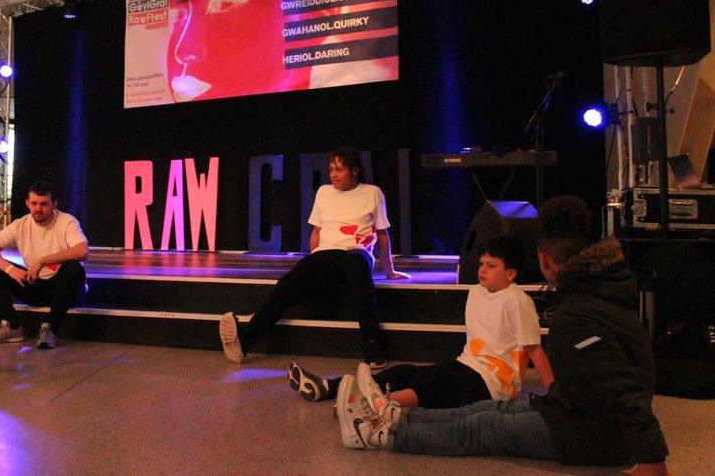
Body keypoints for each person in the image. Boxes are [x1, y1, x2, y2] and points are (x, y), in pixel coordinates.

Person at [335, 196, 670, 476]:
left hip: (594, 433)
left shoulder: (580, 312)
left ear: (546, 260)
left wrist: (653, 461)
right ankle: (395, 416)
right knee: (488, 412)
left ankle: (382, 433)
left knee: (483, 428)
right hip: (577, 411)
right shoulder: (600, 291)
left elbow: (622, 385)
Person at [289, 235, 553, 408]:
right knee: (407, 372)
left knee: (434, 386)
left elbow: (534, 349)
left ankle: (370, 406)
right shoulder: (476, 293)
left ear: (511, 273)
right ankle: (330, 387)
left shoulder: (517, 300)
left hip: (495, 383)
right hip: (468, 365)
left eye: (491, 265)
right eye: (482, 263)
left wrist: (554, 391)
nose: (482, 269)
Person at [219, 146, 410, 368]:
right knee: (288, 282)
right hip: (327, 254)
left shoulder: (372, 192)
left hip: (356, 254)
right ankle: (246, 337)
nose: (333, 174)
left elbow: (381, 234)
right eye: (331, 169)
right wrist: (312, 265)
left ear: (355, 171)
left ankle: (373, 347)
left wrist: (389, 270)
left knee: (356, 266)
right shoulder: (324, 192)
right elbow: (317, 233)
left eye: (339, 169)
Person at [0, 181, 88, 349]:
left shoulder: (66, 221)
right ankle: (12, 326)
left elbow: (82, 250)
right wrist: (11, 270)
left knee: (74, 268)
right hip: (35, 284)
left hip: (63, 287)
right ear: (27, 203)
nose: (38, 208)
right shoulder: (21, 224)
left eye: (44, 204)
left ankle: (49, 327)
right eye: (34, 203)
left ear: (54, 204)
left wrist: (42, 261)